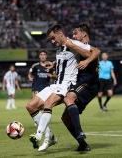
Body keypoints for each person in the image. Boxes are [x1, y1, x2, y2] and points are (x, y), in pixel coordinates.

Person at [27, 23, 100, 151]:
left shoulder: (74, 44)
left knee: (54, 102)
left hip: (75, 84)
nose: (52, 41)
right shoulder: (60, 47)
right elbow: (65, 60)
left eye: (53, 38)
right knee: (31, 106)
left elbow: (95, 51)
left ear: (60, 34)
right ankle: (56, 137)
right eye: (50, 39)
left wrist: (86, 60)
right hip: (56, 84)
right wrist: (54, 64)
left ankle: (39, 136)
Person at [62, 22, 100, 152]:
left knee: (68, 99)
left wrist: (87, 61)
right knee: (65, 118)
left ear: (84, 34)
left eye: (75, 33)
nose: (73, 35)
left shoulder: (90, 45)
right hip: (80, 83)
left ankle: (79, 132)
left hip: (89, 83)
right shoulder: (78, 47)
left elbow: (95, 52)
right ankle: (83, 144)